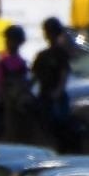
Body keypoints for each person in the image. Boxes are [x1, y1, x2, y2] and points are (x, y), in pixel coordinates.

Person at [31, 18, 75, 147]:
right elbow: (35, 75)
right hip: (43, 95)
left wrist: (57, 92)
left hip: (57, 96)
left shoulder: (61, 54)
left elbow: (64, 74)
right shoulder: (42, 55)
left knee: (61, 121)